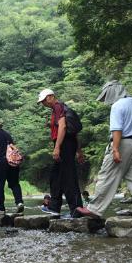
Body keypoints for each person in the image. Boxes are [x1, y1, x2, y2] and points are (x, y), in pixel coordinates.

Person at [76, 81, 132, 218]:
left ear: (113, 91)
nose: (106, 98)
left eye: (106, 94)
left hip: (122, 143)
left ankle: (95, 209)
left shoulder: (117, 105)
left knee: (107, 176)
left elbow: (117, 129)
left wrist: (115, 149)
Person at [37, 88, 84, 217]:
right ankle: (54, 207)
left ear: (51, 97)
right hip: (68, 144)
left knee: (68, 178)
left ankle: (76, 210)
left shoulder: (58, 107)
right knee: (56, 177)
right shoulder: (60, 108)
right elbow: (73, 132)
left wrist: (57, 147)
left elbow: (62, 127)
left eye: (44, 101)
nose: (43, 104)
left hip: (64, 145)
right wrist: (79, 150)